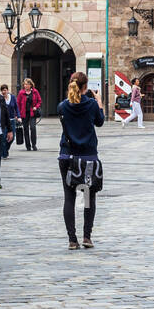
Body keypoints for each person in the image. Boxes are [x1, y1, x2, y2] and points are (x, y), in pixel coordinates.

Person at [57, 71, 104, 249]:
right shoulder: (91, 105)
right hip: (88, 157)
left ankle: (72, 240)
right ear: (86, 86)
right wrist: (99, 102)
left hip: (67, 155)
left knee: (69, 197)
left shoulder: (62, 106)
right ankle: (87, 237)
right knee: (88, 197)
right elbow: (99, 122)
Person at [18, 77, 42, 151]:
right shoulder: (21, 93)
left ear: (31, 85)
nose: (26, 86)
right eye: (25, 84)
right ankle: (28, 146)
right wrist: (18, 115)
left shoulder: (35, 92)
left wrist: (36, 107)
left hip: (32, 113)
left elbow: (39, 101)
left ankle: (34, 144)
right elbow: (18, 103)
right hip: (24, 113)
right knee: (25, 129)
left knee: (32, 128)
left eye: (27, 84)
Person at [0, 83, 19, 159]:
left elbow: (16, 107)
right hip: (4, 122)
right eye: (2, 91)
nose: (4, 92)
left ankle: (5, 149)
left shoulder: (13, 97)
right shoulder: (0, 99)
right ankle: (4, 153)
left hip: (12, 120)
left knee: (12, 137)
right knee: (4, 137)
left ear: (7, 90)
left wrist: (18, 116)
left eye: (5, 90)